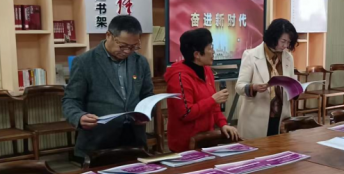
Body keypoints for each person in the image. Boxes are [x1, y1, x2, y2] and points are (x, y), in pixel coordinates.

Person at [62, 15, 154, 160]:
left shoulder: (140, 62)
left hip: (134, 139)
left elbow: (147, 96)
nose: (127, 51)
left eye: (133, 47)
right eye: (122, 46)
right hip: (98, 140)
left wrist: (147, 113)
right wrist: (79, 117)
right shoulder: (85, 62)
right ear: (108, 35)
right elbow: (71, 100)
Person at [164, 28, 239, 152]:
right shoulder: (179, 77)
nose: (213, 52)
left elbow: (214, 107)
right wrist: (212, 100)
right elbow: (186, 113)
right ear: (197, 55)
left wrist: (223, 124)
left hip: (206, 140)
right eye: (210, 48)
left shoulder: (206, 70)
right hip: (185, 145)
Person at [236, 18, 297, 139]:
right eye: (283, 41)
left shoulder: (288, 57)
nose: (285, 46)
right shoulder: (251, 55)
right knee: (259, 149)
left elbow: (290, 82)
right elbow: (239, 87)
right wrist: (253, 87)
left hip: (281, 115)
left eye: (288, 42)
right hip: (256, 118)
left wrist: (296, 89)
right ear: (273, 37)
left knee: (279, 148)